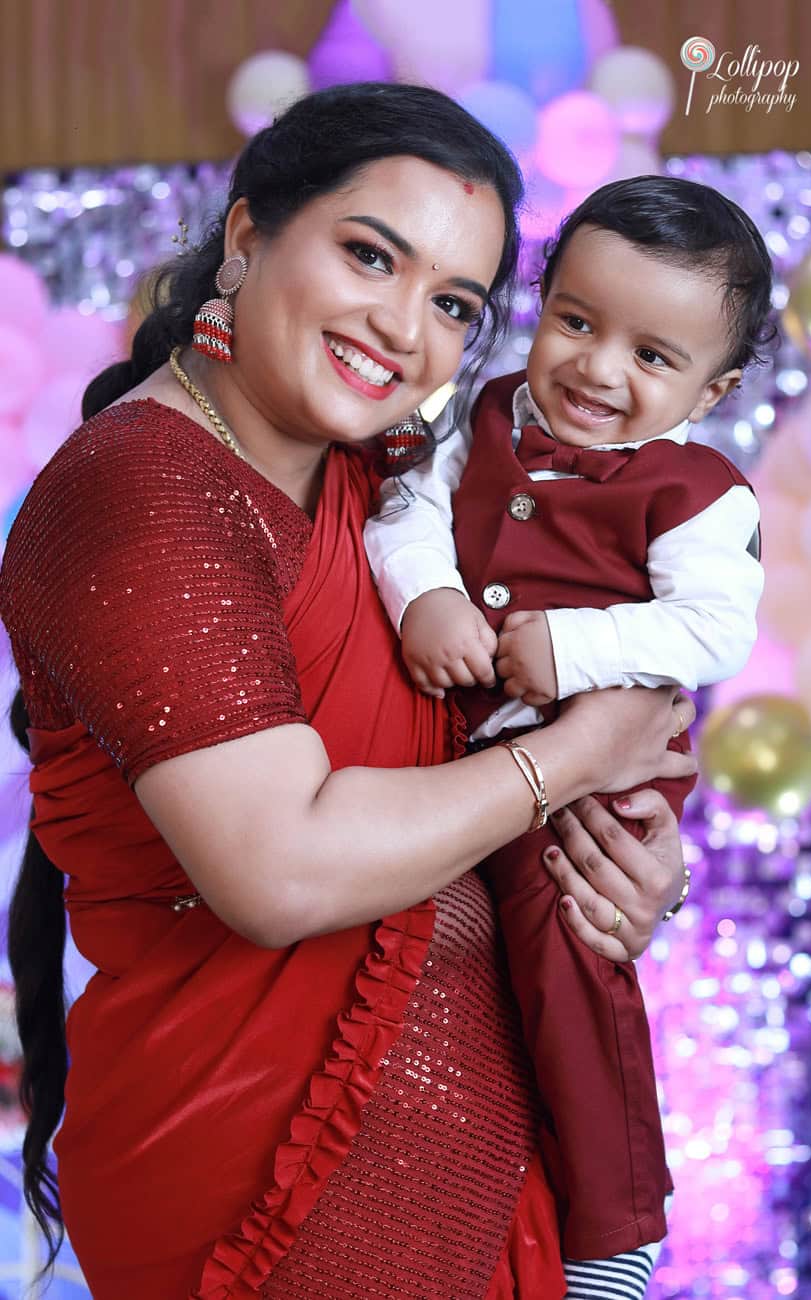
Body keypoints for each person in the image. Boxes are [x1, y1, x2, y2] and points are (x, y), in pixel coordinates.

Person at [0, 86, 695, 1300]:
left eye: (453, 304)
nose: (402, 327)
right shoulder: (146, 492)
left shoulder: (395, 506)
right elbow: (281, 872)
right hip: (257, 1160)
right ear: (247, 234)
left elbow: (527, 752)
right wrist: (568, 766)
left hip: (468, 1129)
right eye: (369, 253)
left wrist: (622, 867)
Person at [364, 175, 770, 1297]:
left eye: (652, 356)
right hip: (463, 739)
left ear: (712, 386)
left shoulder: (696, 494)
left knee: (567, 954)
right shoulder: (479, 413)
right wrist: (427, 597)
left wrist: (574, 650)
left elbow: (713, 627)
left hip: (590, 764)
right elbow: (401, 509)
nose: (596, 369)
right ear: (539, 304)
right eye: (576, 322)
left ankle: (612, 1226)